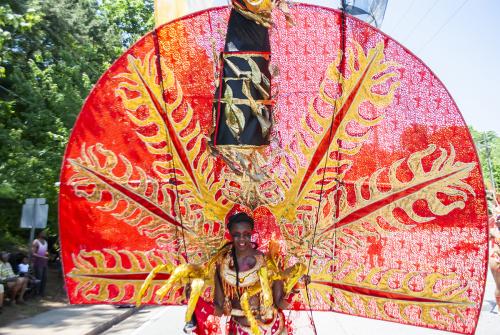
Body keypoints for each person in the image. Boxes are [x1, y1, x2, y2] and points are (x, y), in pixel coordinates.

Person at [138, 212, 308, 335]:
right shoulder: (222, 266)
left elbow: (280, 304)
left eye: (246, 234)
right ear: (231, 236)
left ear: (251, 235)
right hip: (240, 330)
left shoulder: (268, 262)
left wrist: (297, 287)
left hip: (272, 328)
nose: (242, 239)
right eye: (237, 235)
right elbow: (219, 308)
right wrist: (196, 299)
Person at [32, 230, 49, 296]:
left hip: (44, 263)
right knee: (39, 277)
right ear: (39, 234)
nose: (44, 234)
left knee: (45, 278)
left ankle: (42, 292)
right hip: (37, 263)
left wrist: (46, 254)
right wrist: (42, 257)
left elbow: (45, 252)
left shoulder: (46, 242)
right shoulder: (36, 242)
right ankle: (36, 292)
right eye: (42, 233)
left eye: (45, 233)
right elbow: (33, 253)